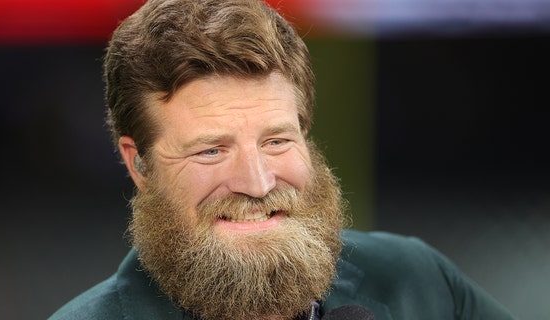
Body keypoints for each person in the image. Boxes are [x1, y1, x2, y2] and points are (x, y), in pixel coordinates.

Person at [49, 0, 515, 319]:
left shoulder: (420, 283)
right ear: (139, 164)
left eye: (276, 141)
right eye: (212, 150)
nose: (257, 183)